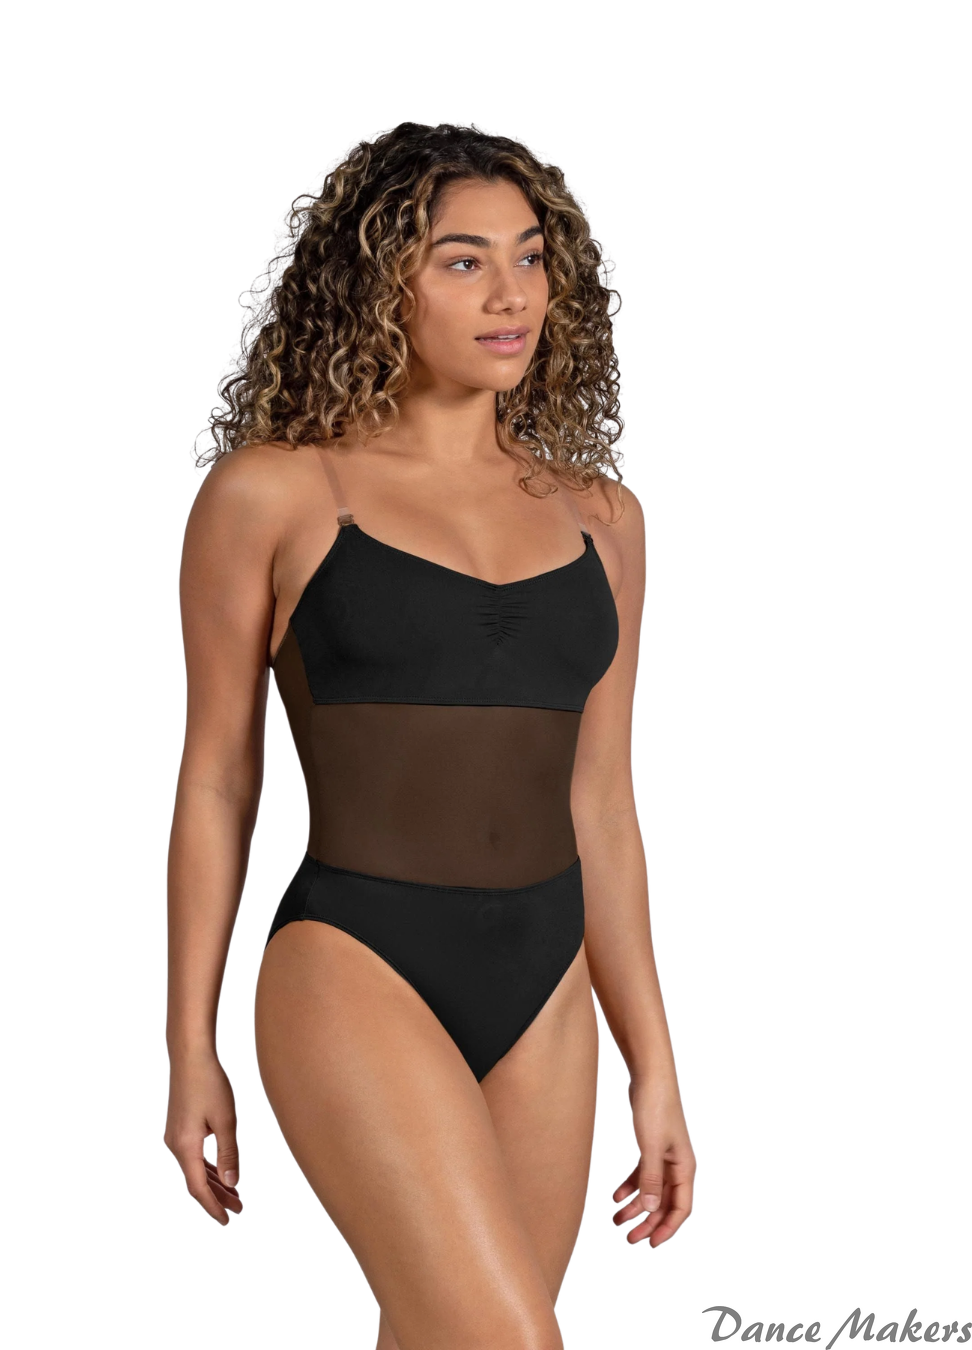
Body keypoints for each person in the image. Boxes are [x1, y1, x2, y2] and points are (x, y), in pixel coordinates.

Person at [165, 121, 695, 1350]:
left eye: (530, 256)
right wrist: (189, 1043)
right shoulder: (276, 494)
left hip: (548, 986)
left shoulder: (603, 519)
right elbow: (217, 779)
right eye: (464, 261)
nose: (512, 294)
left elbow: (604, 806)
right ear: (377, 284)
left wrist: (655, 1062)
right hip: (358, 962)